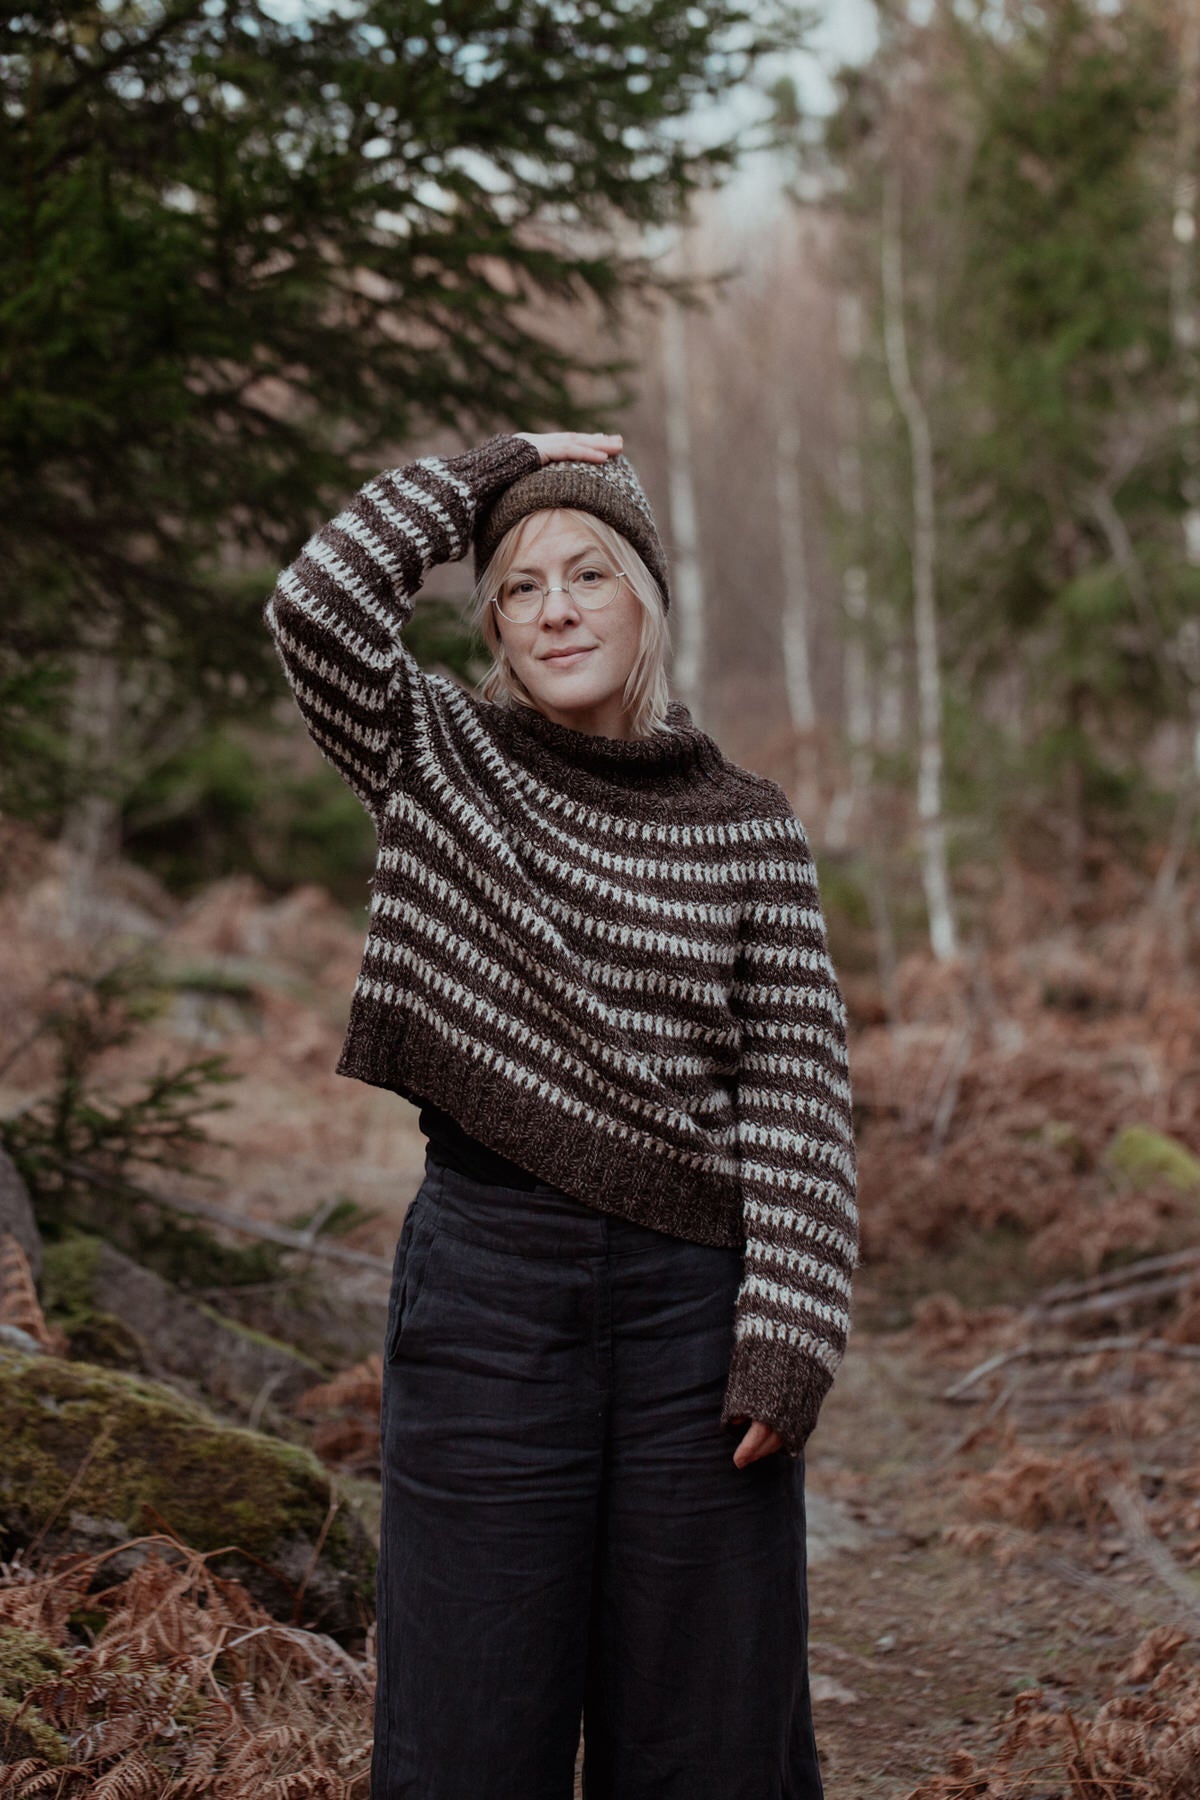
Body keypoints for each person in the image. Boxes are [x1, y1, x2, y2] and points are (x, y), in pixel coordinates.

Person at [263, 428, 859, 1800]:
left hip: (694, 1319)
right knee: (469, 1728)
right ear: (493, 626)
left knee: (710, 1742)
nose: (557, 610)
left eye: (589, 573)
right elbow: (315, 606)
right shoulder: (436, 755)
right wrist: (499, 465)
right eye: (521, 588)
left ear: (645, 599)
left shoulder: (747, 825)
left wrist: (791, 1331)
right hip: (487, 1292)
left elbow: (798, 1087)